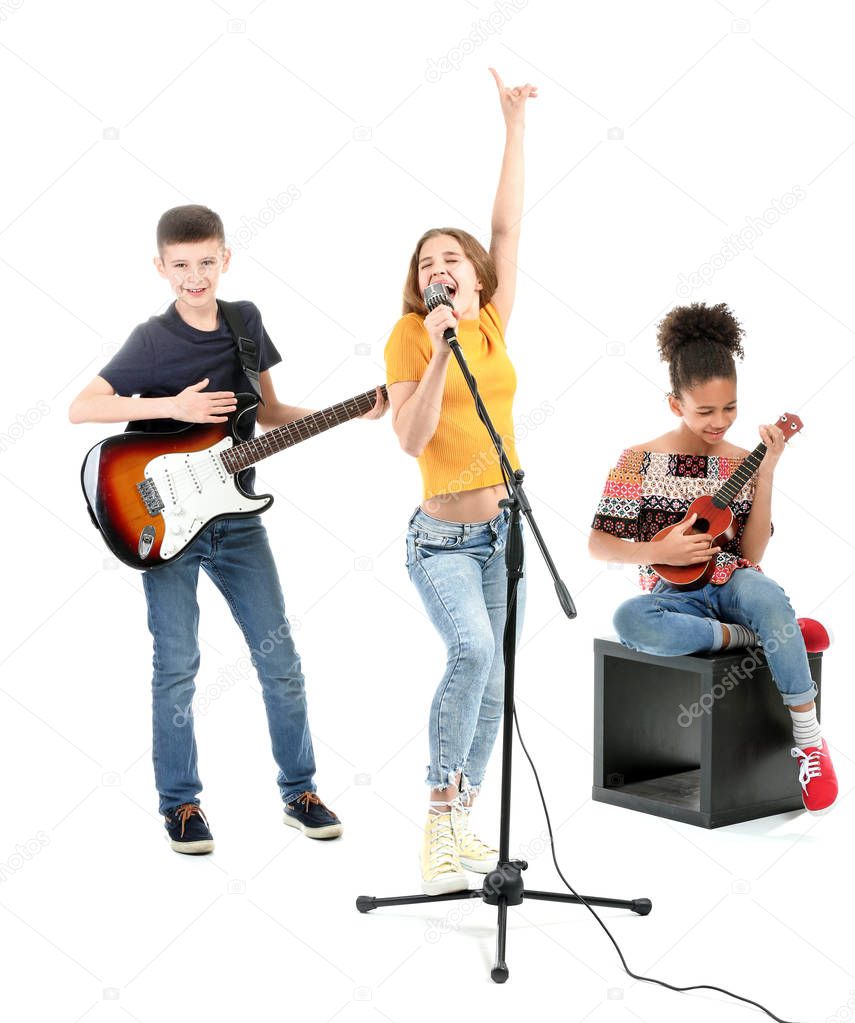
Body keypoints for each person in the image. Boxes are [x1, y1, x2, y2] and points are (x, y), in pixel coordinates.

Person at [69, 204, 385, 853]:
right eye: (180, 265)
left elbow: (266, 412)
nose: (194, 275)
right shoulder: (152, 338)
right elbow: (82, 407)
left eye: (206, 261)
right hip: (164, 522)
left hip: (235, 519)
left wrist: (349, 411)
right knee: (177, 665)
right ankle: (180, 806)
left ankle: (300, 791)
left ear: (225, 259)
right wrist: (173, 406)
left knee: (281, 659)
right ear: (161, 267)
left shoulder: (245, 322)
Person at [587, 301, 838, 814]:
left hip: (732, 583)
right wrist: (662, 548)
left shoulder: (738, 462)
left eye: (730, 408)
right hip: (673, 598)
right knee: (629, 619)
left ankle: (809, 738)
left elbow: (750, 552)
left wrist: (766, 472)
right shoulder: (637, 461)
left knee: (763, 591)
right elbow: (599, 543)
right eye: (705, 411)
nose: (719, 422)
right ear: (674, 402)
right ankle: (760, 635)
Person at [384, 69, 538, 894]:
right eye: (425, 263)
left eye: (451, 258)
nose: (439, 267)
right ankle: (435, 815)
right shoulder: (414, 338)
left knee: (498, 677)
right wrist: (438, 350)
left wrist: (513, 126)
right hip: (439, 534)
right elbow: (410, 436)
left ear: (475, 277)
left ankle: (466, 818)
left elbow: (505, 227)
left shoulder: (493, 323)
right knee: (471, 650)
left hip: (502, 531)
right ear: (422, 287)